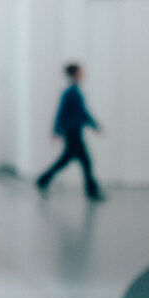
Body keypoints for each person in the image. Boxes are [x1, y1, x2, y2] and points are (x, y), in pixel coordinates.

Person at [35, 63, 103, 201]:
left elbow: (81, 113)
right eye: (81, 72)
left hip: (74, 131)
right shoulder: (71, 92)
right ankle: (91, 190)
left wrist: (94, 125)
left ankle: (43, 180)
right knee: (85, 161)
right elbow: (64, 113)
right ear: (74, 74)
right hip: (72, 133)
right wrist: (56, 131)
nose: (84, 74)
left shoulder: (75, 91)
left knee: (68, 160)